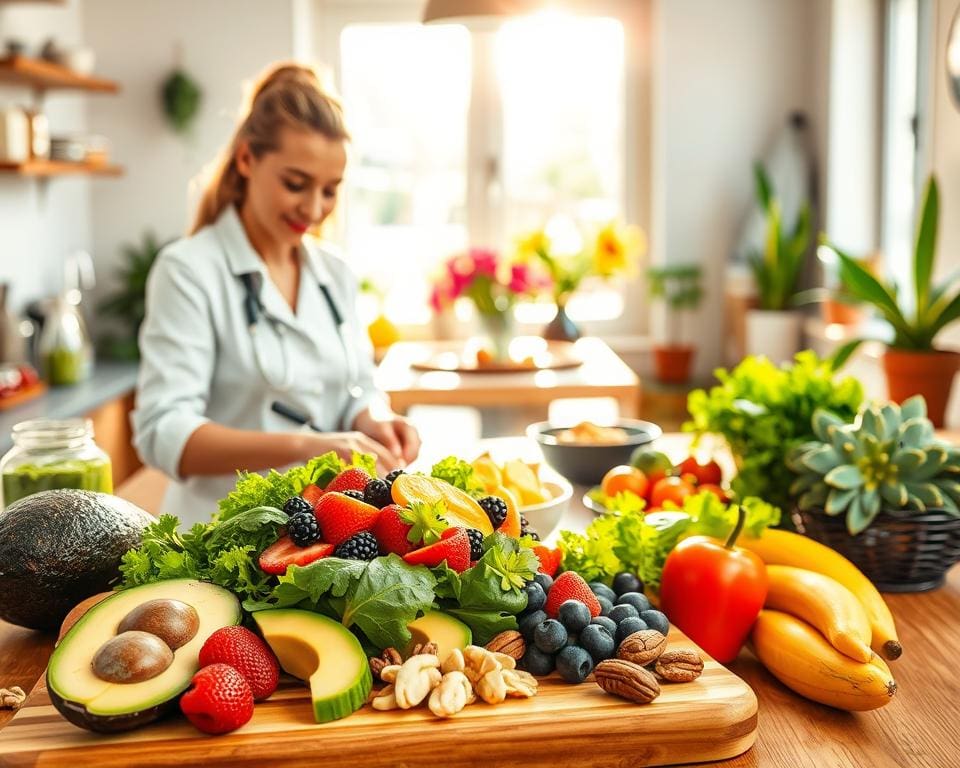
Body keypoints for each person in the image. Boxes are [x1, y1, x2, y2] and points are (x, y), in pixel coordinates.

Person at [133, 62, 420, 525]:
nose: (314, 208)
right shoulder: (188, 270)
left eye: (330, 190)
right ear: (246, 159)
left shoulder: (335, 273)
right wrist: (309, 446)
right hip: (219, 534)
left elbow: (356, 387)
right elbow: (165, 434)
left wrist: (373, 419)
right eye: (296, 184)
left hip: (322, 538)